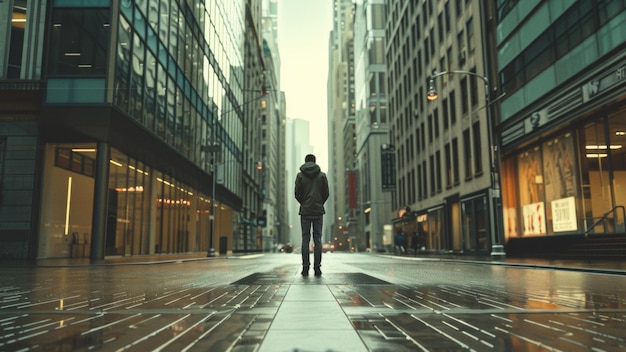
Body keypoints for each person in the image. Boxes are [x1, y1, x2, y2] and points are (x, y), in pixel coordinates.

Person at [294, 154, 329, 277]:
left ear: (305, 162)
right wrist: (319, 203)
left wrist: (304, 203)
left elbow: (297, 193)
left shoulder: (300, 176)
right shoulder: (322, 176)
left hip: (305, 211)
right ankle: (317, 268)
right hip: (318, 211)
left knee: (305, 239)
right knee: (318, 240)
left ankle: (305, 268)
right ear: (315, 161)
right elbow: (326, 193)